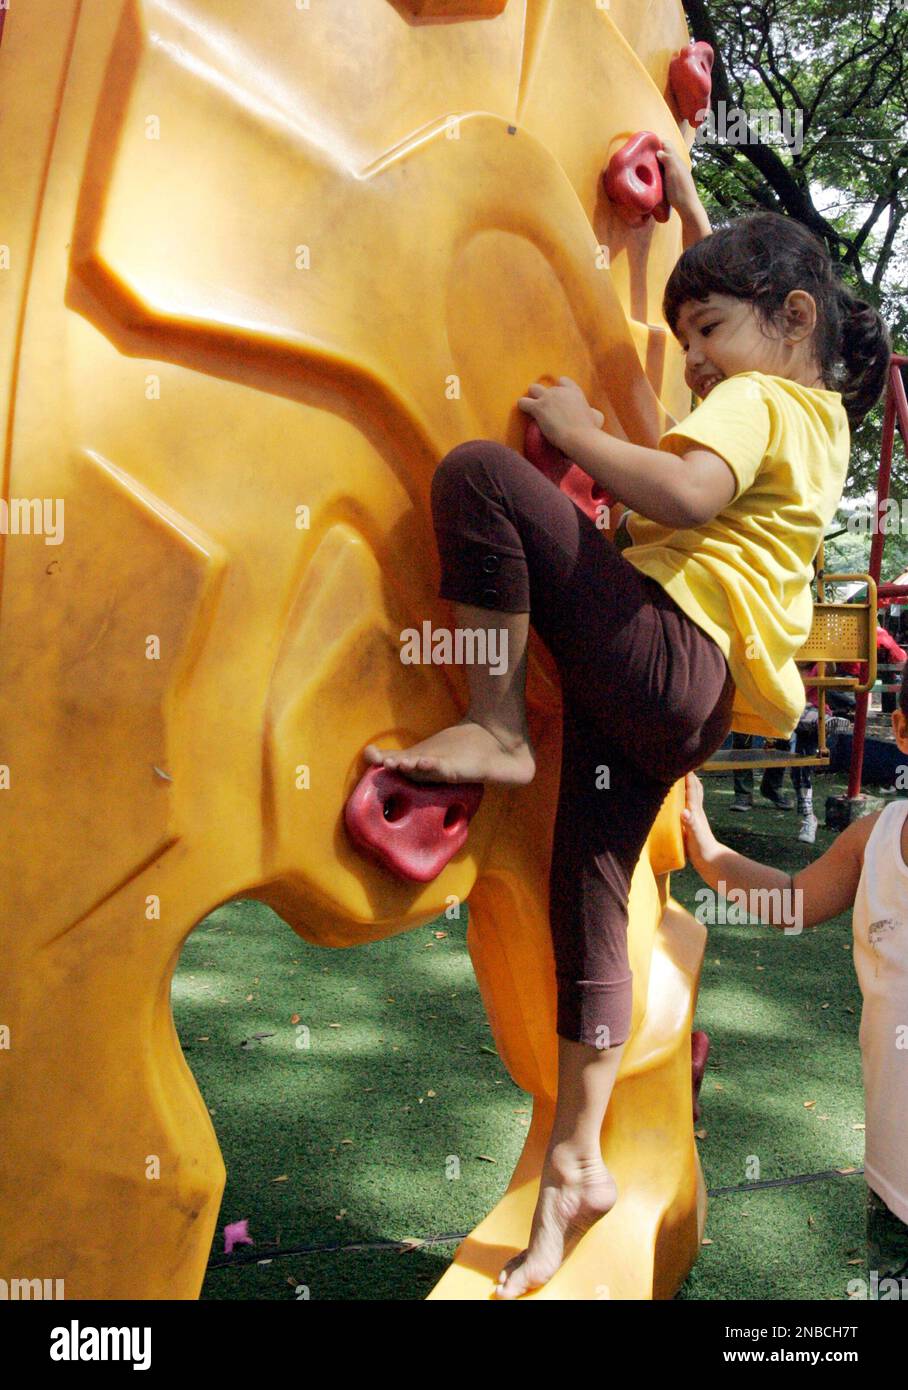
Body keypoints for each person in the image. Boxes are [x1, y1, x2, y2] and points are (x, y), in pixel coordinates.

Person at [362, 141, 891, 1297]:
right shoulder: (811, 412)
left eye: (704, 329)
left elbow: (683, 490)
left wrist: (575, 428)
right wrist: (692, 211)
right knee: (585, 910)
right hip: (674, 705)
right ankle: (574, 1169)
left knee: (479, 478)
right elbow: (702, 449)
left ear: (789, 317)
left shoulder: (759, 396)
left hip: (667, 654)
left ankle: (495, 722)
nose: (693, 360)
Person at [681, 663, 908, 1294]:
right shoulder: (876, 837)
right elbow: (794, 900)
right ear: (902, 730)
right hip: (898, 1170)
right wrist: (706, 848)